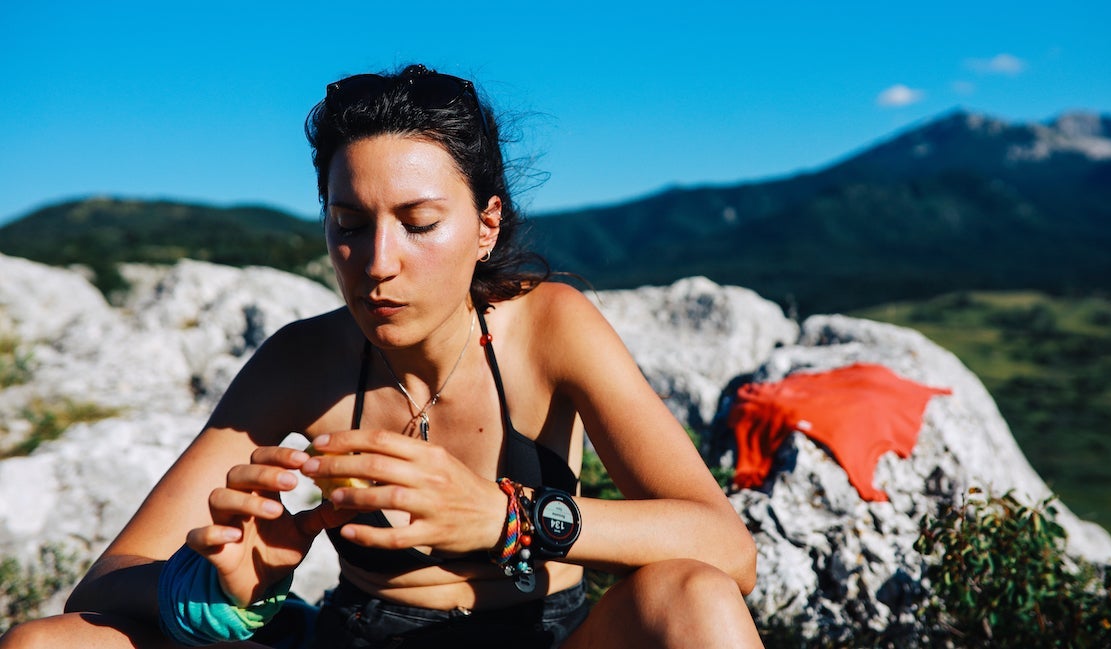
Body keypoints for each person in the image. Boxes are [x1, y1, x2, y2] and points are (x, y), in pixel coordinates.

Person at [0, 63, 760, 649]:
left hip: (545, 636)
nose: (377, 262)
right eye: (349, 224)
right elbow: (105, 582)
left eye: (419, 222)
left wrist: (508, 518)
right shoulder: (304, 360)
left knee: (694, 596)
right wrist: (221, 590)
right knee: (44, 643)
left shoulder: (549, 326)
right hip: (359, 635)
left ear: (486, 225)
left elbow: (726, 549)